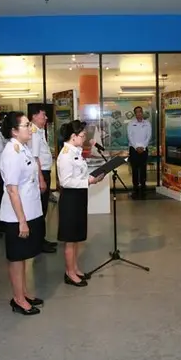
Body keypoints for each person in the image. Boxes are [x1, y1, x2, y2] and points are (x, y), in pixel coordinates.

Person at [0, 111, 45, 315]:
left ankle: (24, 292)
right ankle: (18, 299)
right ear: (14, 131)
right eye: (26, 125)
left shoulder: (23, 148)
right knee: (17, 259)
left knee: (25, 256)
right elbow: (12, 189)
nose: (30, 128)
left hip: (30, 210)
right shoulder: (11, 152)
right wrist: (22, 221)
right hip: (18, 216)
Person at [56, 121, 104, 286]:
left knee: (76, 237)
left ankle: (74, 268)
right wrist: (88, 181)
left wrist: (93, 177)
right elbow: (66, 181)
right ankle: (69, 273)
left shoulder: (75, 152)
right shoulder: (65, 155)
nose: (84, 138)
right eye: (82, 136)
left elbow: (80, 174)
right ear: (73, 136)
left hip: (79, 197)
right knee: (70, 239)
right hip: (70, 199)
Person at [29, 106, 57, 254]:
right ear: (34, 116)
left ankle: (41, 239)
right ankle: (38, 242)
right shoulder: (33, 132)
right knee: (40, 208)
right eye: (43, 115)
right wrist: (41, 179)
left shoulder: (39, 131)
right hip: (40, 173)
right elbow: (35, 158)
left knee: (43, 207)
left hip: (45, 171)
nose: (46, 118)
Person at [126, 106, 151, 199]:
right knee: (135, 170)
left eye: (140, 111)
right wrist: (136, 147)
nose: (139, 113)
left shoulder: (147, 123)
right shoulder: (131, 124)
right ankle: (135, 189)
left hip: (144, 149)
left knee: (143, 169)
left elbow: (149, 136)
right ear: (135, 114)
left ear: (142, 112)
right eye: (137, 112)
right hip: (134, 149)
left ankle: (143, 188)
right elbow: (130, 137)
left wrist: (143, 147)